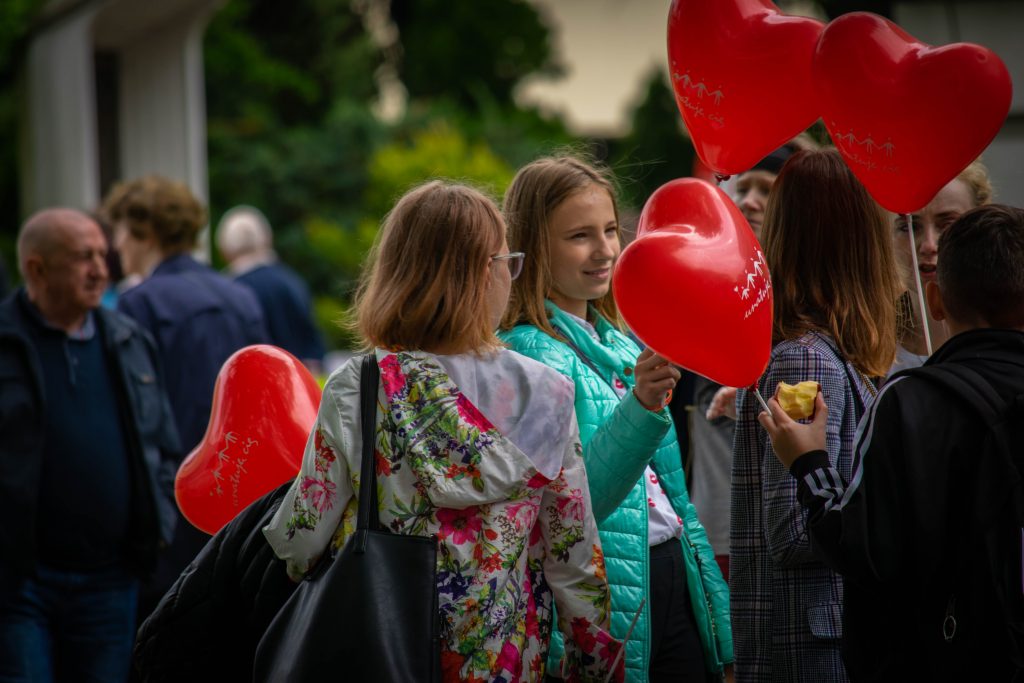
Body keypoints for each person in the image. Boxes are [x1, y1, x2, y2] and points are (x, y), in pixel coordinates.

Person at [263, 180, 623, 683]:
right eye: (507, 262)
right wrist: (591, 666)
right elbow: (574, 558)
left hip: (382, 648)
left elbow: (302, 538)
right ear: (482, 274)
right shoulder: (545, 393)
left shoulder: (360, 386)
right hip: (504, 659)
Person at [759, 204, 1024, 681]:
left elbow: (862, 548)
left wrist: (809, 463)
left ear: (936, 299)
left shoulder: (912, 399)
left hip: (937, 656)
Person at [499, 155, 733, 683]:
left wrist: (719, 623)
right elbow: (573, 509)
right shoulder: (524, 357)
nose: (606, 250)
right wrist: (642, 408)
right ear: (534, 248)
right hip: (609, 594)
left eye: (610, 230)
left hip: (674, 577)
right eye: (580, 236)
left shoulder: (621, 343)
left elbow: (677, 503)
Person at [730, 148, 903, 682]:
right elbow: (793, 530)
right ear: (857, 240)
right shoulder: (803, 356)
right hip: (810, 643)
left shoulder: (827, 349)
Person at [0, 209, 180, 681]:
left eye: (103, 254)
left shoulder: (127, 339)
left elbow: (163, 445)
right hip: (20, 584)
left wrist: (157, 524)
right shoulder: (6, 342)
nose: (101, 270)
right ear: (37, 268)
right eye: (84, 258)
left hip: (110, 581)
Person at [101, 175, 269, 620]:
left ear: (145, 231)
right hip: (243, 488)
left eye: (119, 230)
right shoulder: (241, 296)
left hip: (177, 492)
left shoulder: (140, 303)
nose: (116, 245)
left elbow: (134, 412)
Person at [685, 141, 804, 579]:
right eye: (742, 187)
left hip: (776, 533)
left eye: (766, 190)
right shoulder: (706, 287)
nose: (749, 201)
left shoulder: (807, 304)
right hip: (705, 532)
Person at [889, 160, 993, 375]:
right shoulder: (865, 345)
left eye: (947, 224)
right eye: (910, 226)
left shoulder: (1011, 336)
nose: (928, 245)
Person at [216, 205, 326, 373]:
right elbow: (313, 347)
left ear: (224, 249)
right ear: (267, 239)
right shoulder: (292, 281)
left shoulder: (227, 291)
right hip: (295, 383)